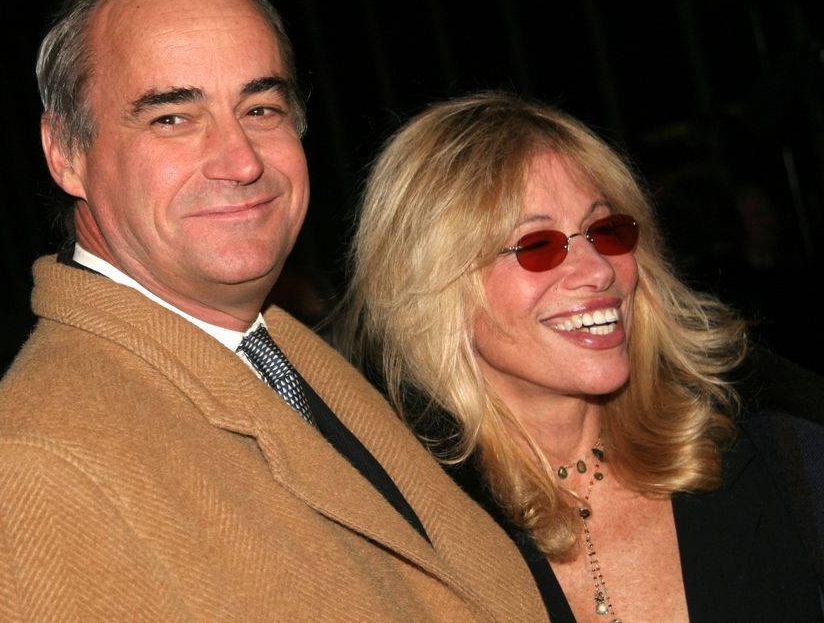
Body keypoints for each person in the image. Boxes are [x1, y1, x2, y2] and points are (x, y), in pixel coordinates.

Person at [0, 0, 547, 621]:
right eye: (172, 118)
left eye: (261, 108)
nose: (240, 159)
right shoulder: (24, 472)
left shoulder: (291, 361)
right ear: (66, 152)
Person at [338, 91, 824, 621]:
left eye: (606, 230)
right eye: (537, 245)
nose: (598, 269)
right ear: (435, 287)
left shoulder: (785, 460)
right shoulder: (400, 535)